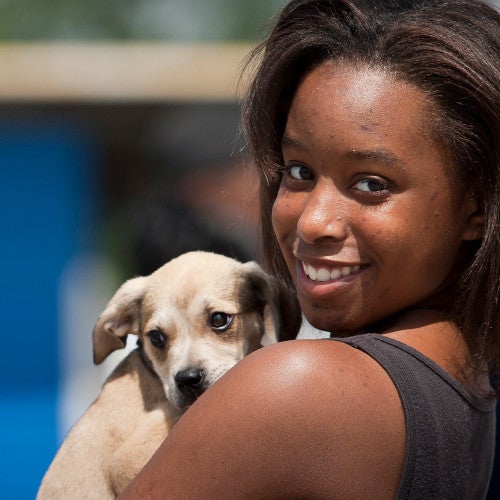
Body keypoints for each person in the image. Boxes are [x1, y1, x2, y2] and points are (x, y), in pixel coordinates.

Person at [120, 0, 500, 497]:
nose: (313, 220)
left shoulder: (299, 388)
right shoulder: (468, 378)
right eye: (298, 171)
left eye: (371, 183)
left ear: (476, 206)